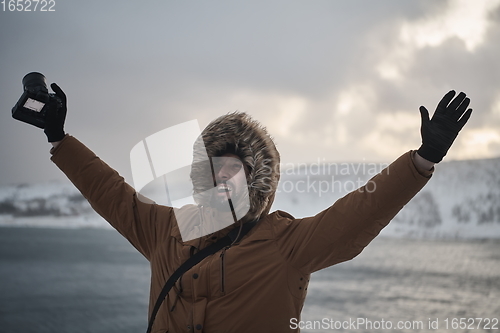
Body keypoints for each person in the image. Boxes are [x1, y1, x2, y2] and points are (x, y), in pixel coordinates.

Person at [39, 83, 471, 332]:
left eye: (233, 170)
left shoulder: (285, 245)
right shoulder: (166, 230)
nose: (220, 179)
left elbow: (355, 216)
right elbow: (112, 193)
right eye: (212, 168)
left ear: (255, 181)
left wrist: (420, 160)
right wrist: (59, 137)